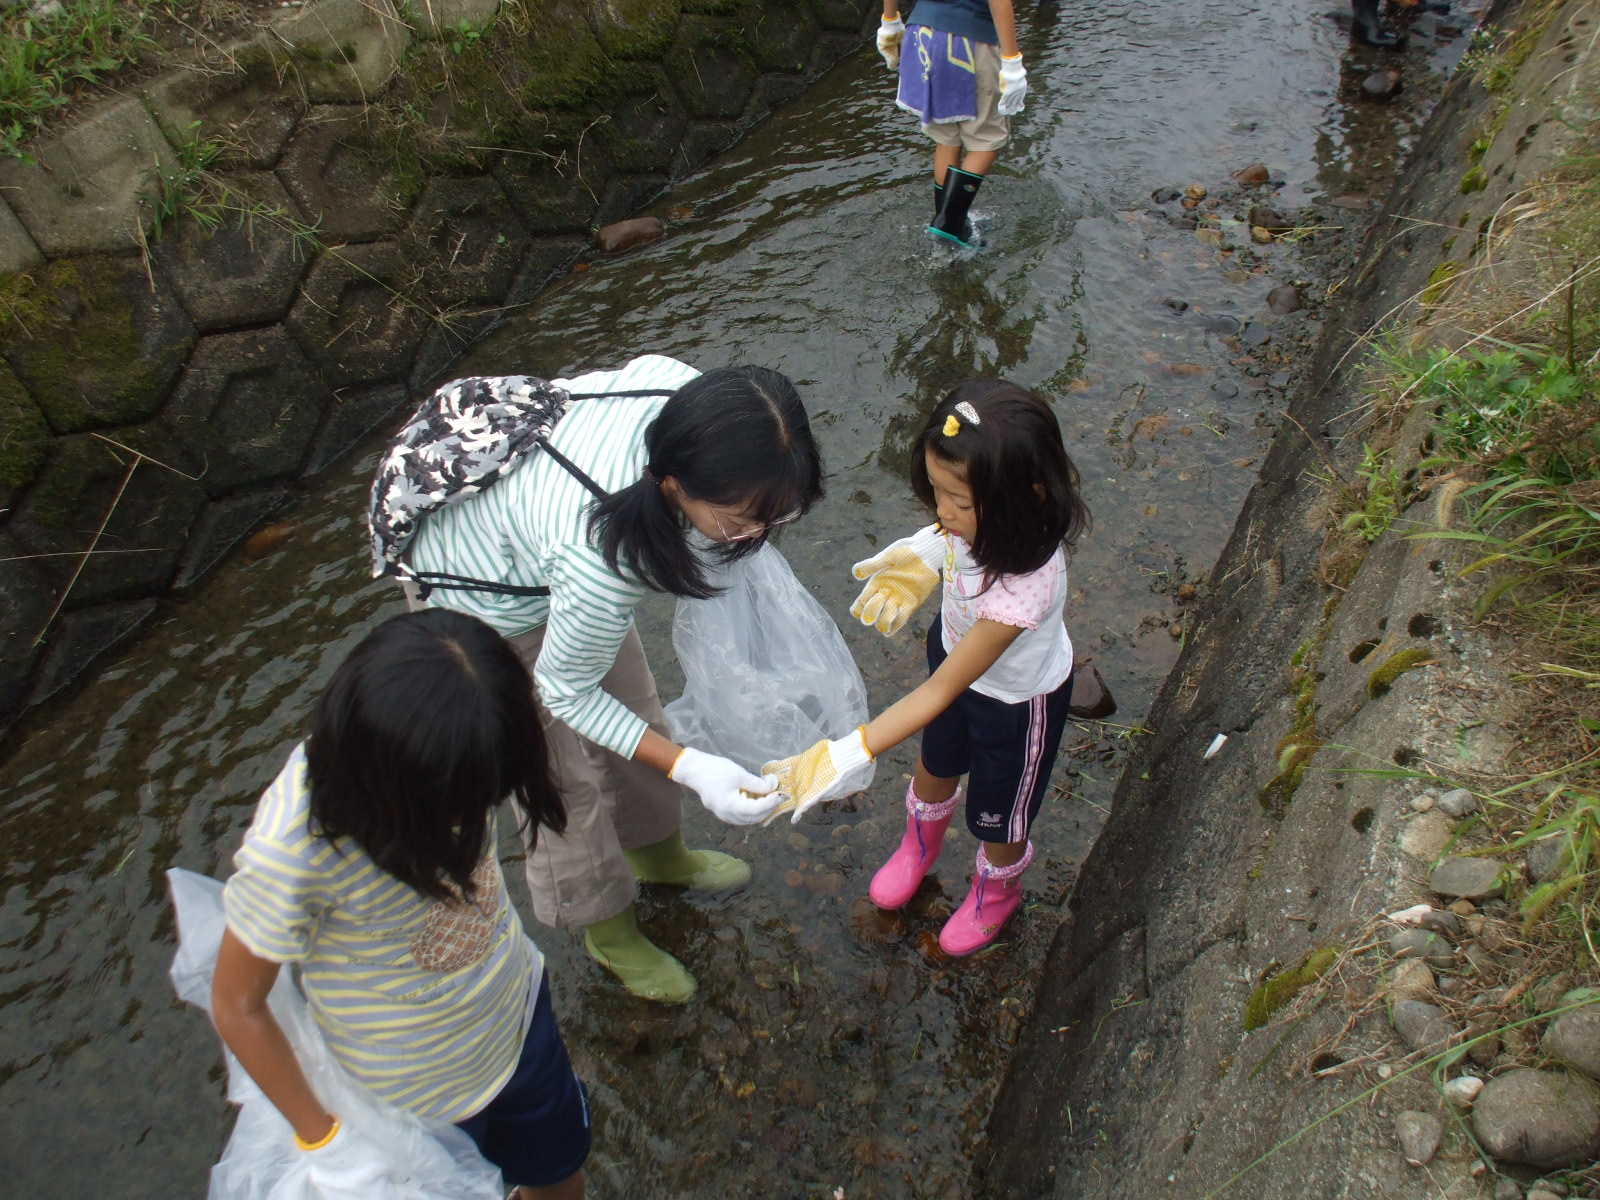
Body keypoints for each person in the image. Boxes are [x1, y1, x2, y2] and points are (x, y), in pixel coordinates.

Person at [403, 356, 823, 1002]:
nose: (756, 535)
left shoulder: (692, 399)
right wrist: (692, 766)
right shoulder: (600, 563)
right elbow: (563, 690)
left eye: (776, 514)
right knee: (558, 783)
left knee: (637, 711)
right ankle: (607, 925)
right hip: (482, 601)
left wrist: (666, 750)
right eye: (741, 520)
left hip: (541, 530)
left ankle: (660, 859)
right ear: (676, 484)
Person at [211, 609, 589, 1199]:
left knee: (559, 1172)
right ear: (396, 789)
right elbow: (237, 1004)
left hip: (515, 1023)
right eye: (456, 808)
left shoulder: (457, 749)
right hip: (412, 1101)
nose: (470, 822)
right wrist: (324, 1138)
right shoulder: (294, 851)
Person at [763, 380, 1089, 956]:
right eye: (937, 492)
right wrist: (930, 551)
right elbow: (952, 537)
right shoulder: (977, 517)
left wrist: (843, 753)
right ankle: (920, 844)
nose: (943, 511)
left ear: (1027, 496)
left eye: (960, 503)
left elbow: (939, 691)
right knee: (936, 759)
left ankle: (998, 889)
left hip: (1016, 702)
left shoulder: (1027, 587)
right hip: (954, 653)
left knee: (1001, 812)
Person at [877, 0, 1029, 247]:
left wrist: (890, 21)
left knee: (947, 136)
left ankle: (948, 222)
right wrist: (1012, 61)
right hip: (967, 40)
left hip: (921, 35)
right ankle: (949, 223)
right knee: (987, 140)